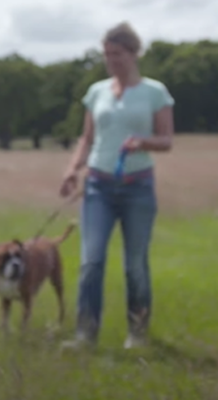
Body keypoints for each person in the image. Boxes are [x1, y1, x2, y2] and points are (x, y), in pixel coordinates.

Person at [58, 21, 175, 351]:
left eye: (118, 54)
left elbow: (166, 141)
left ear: (134, 53)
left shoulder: (155, 92)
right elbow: (88, 138)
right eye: (107, 54)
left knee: (135, 264)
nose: (111, 60)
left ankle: (137, 333)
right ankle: (85, 334)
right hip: (98, 187)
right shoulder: (96, 92)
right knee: (90, 261)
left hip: (138, 188)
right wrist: (72, 170)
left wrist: (142, 143)